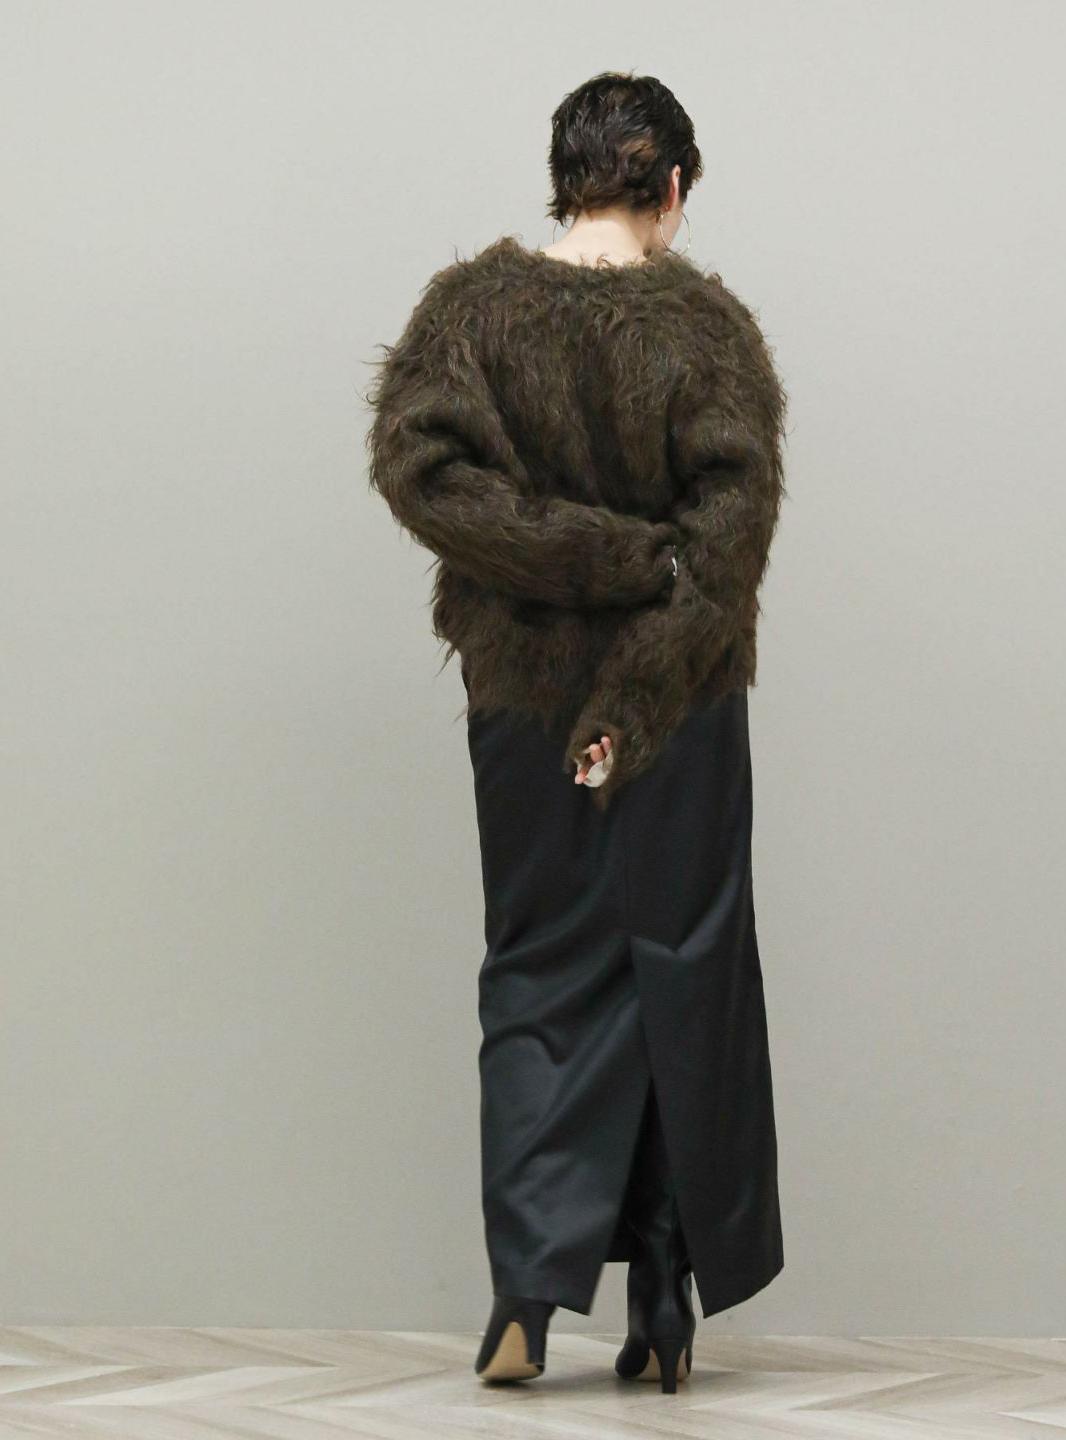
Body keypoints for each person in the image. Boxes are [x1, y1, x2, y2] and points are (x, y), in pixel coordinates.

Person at [364, 70, 788, 1396]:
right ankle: (663, 1302)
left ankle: (526, 1294)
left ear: (564, 178)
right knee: (683, 968)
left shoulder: (468, 315)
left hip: (522, 709)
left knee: (541, 974)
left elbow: (421, 473)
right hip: (683, 708)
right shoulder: (708, 330)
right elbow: (718, 553)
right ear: (674, 187)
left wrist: (572, 588)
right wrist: (634, 653)